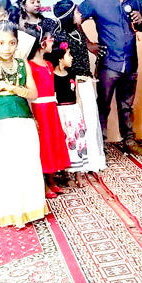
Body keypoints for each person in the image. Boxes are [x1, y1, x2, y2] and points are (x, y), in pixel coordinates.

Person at [79, 0, 142, 155]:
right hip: (108, 63)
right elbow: (75, 20)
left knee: (127, 106)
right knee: (103, 105)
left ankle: (129, 141)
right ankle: (99, 144)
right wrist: (89, 45)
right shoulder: (95, 1)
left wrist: (141, 20)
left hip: (131, 62)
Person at [0, 21, 48, 228]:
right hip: (0, 121)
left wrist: (11, 88)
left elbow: (34, 93)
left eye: (12, 43)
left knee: (27, 163)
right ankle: (9, 212)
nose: (7, 48)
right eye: (1, 43)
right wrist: (19, 89)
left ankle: (30, 209)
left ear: (17, 43)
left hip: (24, 119)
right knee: (6, 166)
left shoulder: (22, 64)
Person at [53, 0, 106, 172]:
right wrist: (75, 82)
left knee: (91, 120)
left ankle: (93, 159)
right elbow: (62, 66)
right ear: (69, 16)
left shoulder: (78, 31)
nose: (80, 14)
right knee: (80, 122)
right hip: (74, 85)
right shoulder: (61, 37)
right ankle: (80, 162)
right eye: (76, 12)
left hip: (86, 80)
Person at [29, 29, 71, 196]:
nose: (52, 41)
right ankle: (43, 182)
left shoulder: (48, 64)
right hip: (39, 109)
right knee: (44, 144)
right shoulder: (30, 65)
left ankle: (52, 179)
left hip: (51, 107)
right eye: (49, 39)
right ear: (41, 43)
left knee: (53, 141)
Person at [46, 42, 89, 182]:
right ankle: (65, 171)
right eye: (69, 55)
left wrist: (80, 114)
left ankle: (78, 173)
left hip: (73, 111)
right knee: (64, 141)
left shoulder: (72, 74)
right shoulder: (52, 77)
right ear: (60, 59)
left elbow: (77, 96)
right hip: (61, 112)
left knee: (77, 139)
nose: (72, 58)